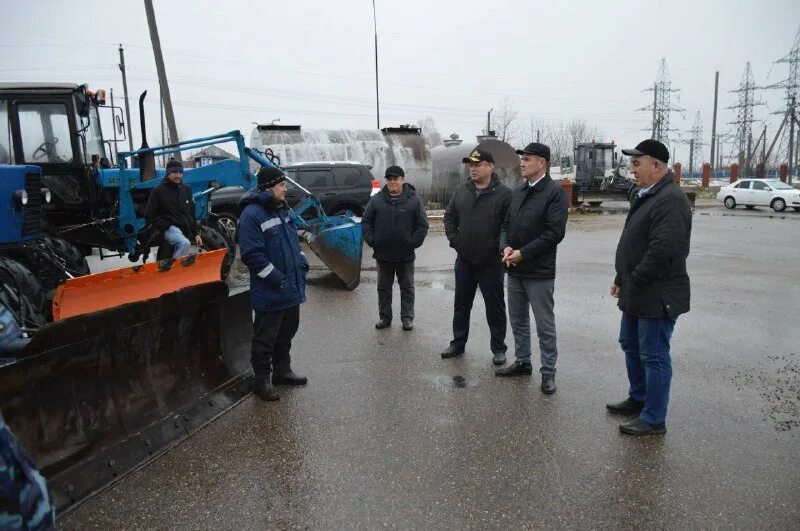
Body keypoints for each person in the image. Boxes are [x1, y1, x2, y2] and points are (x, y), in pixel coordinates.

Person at [607, 139, 692, 436]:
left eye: (636, 163)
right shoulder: (645, 194)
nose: (632, 170)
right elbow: (634, 243)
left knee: (654, 355)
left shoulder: (670, 199)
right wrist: (621, 278)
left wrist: (632, 279)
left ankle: (655, 418)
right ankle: (639, 398)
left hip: (657, 294)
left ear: (656, 165)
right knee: (629, 343)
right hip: (636, 289)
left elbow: (664, 251)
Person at [496, 142, 568, 395]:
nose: (522, 163)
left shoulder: (555, 193)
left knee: (544, 325)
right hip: (514, 269)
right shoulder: (518, 191)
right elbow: (505, 225)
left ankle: (548, 372)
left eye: (527, 159)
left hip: (538, 272)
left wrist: (523, 254)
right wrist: (505, 248)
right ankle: (523, 361)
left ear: (542, 163)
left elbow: (554, 233)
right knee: (518, 320)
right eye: (522, 159)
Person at [238, 166, 309, 402]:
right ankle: (262, 381)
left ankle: (282, 371)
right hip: (272, 290)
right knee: (265, 338)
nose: (285, 189)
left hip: (290, 287)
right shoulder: (252, 214)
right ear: (270, 187)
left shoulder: (281, 209)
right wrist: (276, 278)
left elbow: (292, 241)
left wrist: (301, 261)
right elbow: (252, 255)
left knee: (287, 332)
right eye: (282, 185)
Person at [440, 149, 512, 365]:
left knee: (495, 307)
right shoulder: (462, 191)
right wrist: (456, 241)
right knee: (461, 304)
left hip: (491, 262)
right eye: (470, 164)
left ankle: (498, 348)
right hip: (465, 260)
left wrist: (498, 248)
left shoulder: (505, 194)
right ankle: (458, 343)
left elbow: (508, 227)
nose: (472, 168)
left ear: (490, 167)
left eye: (477, 164)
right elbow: (449, 218)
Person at [362, 165, 429, 331]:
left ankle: (407, 318)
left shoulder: (414, 200)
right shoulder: (376, 200)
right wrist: (373, 241)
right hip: (383, 254)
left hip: (405, 255)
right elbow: (366, 222)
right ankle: (385, 318)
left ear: (402, 180)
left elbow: (422, 225)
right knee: (383, 288)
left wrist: (413, 242)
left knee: (407, 288)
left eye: (396, 179)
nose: (392, 182)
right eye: (389, 179)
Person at [145, 159, 202, 258]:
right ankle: (175, 268)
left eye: (180, 172)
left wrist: (196, 233)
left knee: (170, 256)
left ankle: (173, 267)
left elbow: (191, 213)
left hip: (184, 230)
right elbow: (149, 215)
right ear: (168, 173)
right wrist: (167, 226)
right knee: (185, 244)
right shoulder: (158, 191)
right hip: (169, 229)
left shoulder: (186, 189)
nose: (178, 175)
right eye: (175, 172)